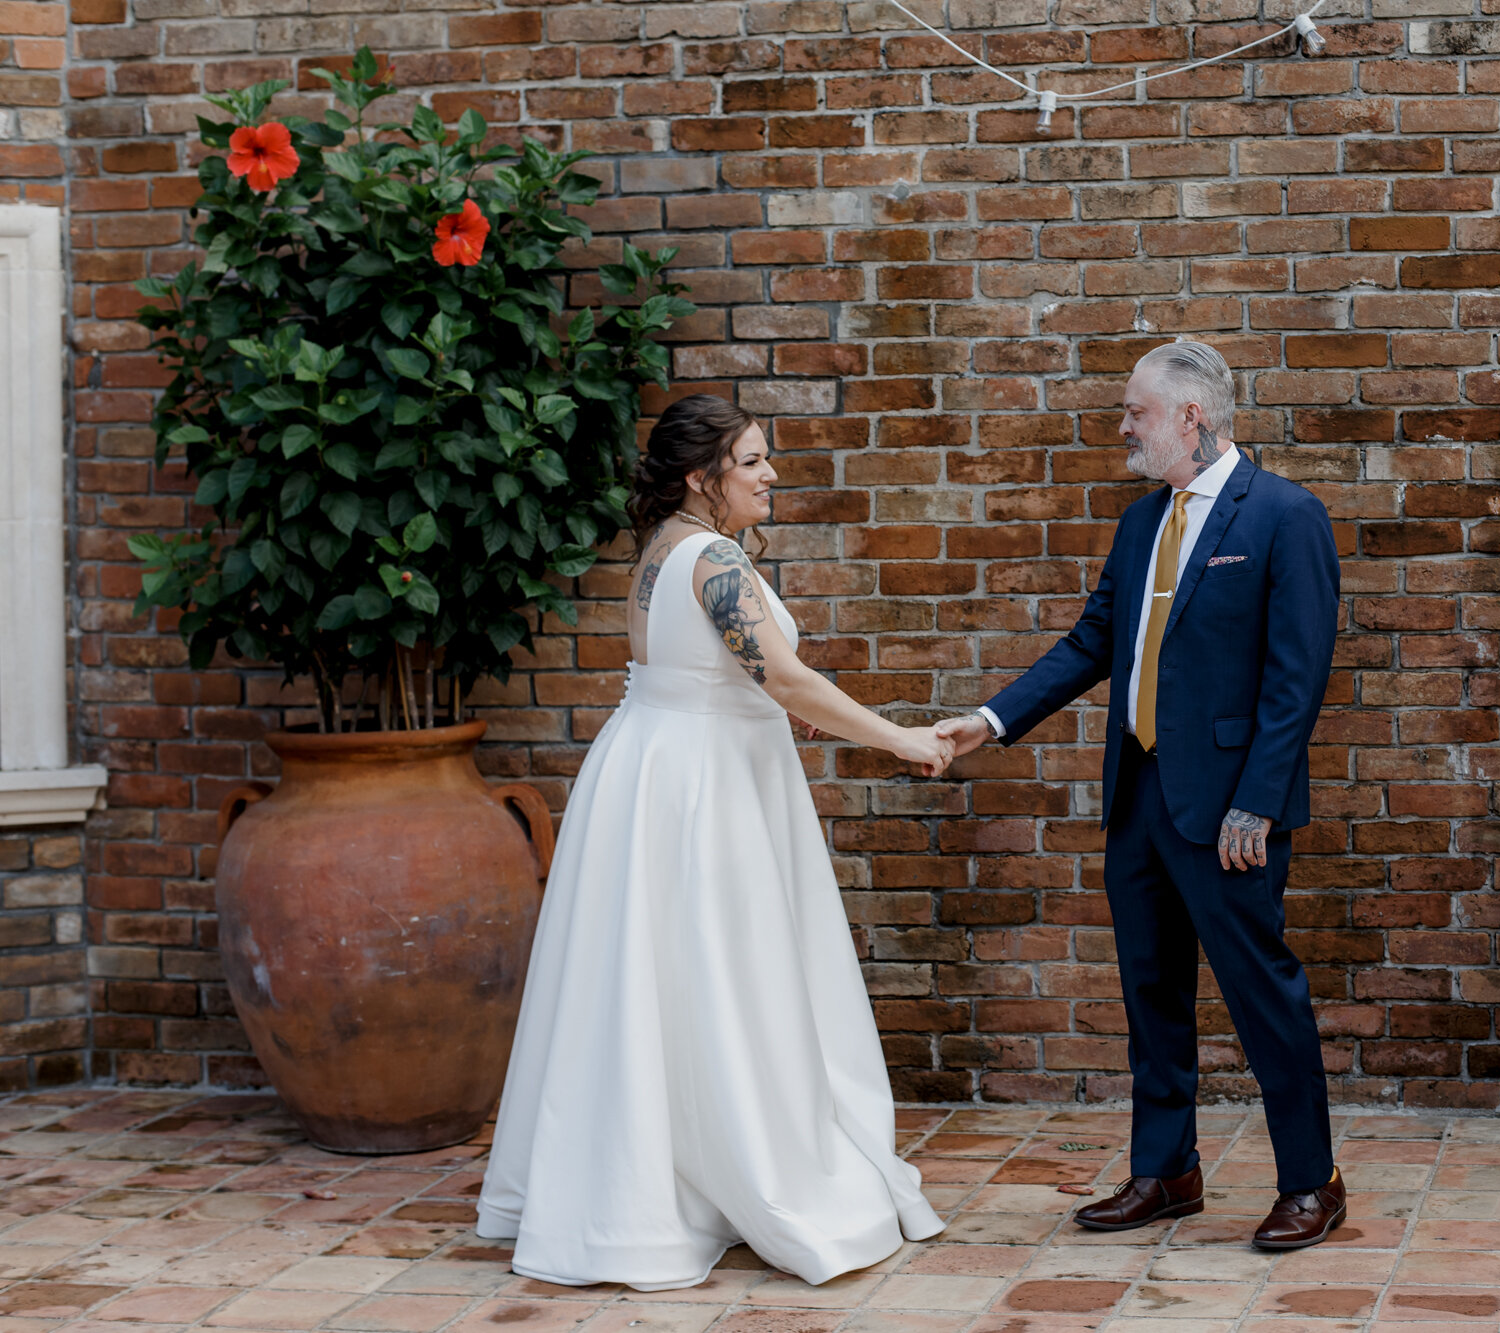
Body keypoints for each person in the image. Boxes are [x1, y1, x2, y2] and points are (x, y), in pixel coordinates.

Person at [477, 394, 947, 1290]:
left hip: (658, 770)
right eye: (753, 462)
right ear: (703, 476)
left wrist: (772, 706)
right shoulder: (715, 557)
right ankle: (744, 1168)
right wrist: (902, 738)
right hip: (703, 791)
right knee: (730, 978)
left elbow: (719, 673)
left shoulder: (661, 551)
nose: (771, 475)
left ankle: (676, 1172)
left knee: (672, 985)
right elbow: (785, 675)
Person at [936, 341, 1346, 1250]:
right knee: (1150, 991)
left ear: (1190, 417)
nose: (1124, 426)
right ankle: (1167, 1169)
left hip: (1233, 809)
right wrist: (989, 722)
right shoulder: (1140, 524)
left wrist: (1259, 801)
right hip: (1140, 794)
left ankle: (1312, 1182)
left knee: (1261, 993)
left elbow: (1297, 677)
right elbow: (1089, 644)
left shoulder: (1285, 516)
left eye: (1137, 412)